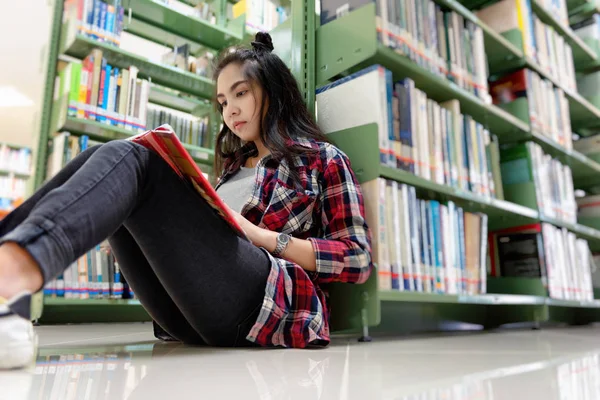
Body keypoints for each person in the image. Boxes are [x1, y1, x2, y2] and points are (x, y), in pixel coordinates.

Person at [0, 32, 373, 369]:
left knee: (138, 160)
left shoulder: (321, 159)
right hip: (189, 314)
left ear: (274, 91)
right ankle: (9, 286)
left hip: (268, 304)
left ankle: (9, 278)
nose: (230, 111)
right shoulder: (231, 169)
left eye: (241, 93)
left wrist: (261, 236)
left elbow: (357, 258)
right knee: (105, 154)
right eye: (223, 101)